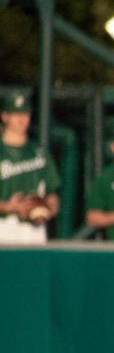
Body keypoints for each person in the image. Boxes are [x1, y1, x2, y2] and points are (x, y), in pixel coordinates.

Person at [0, 89, 60, 243]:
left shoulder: (39, 152)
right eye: (16, 114)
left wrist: (49, 207)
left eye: (25, 114)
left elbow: (52, 192)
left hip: (35, 229)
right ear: (5, 116)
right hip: (5, 227)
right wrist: (8, 207)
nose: (22, 119)